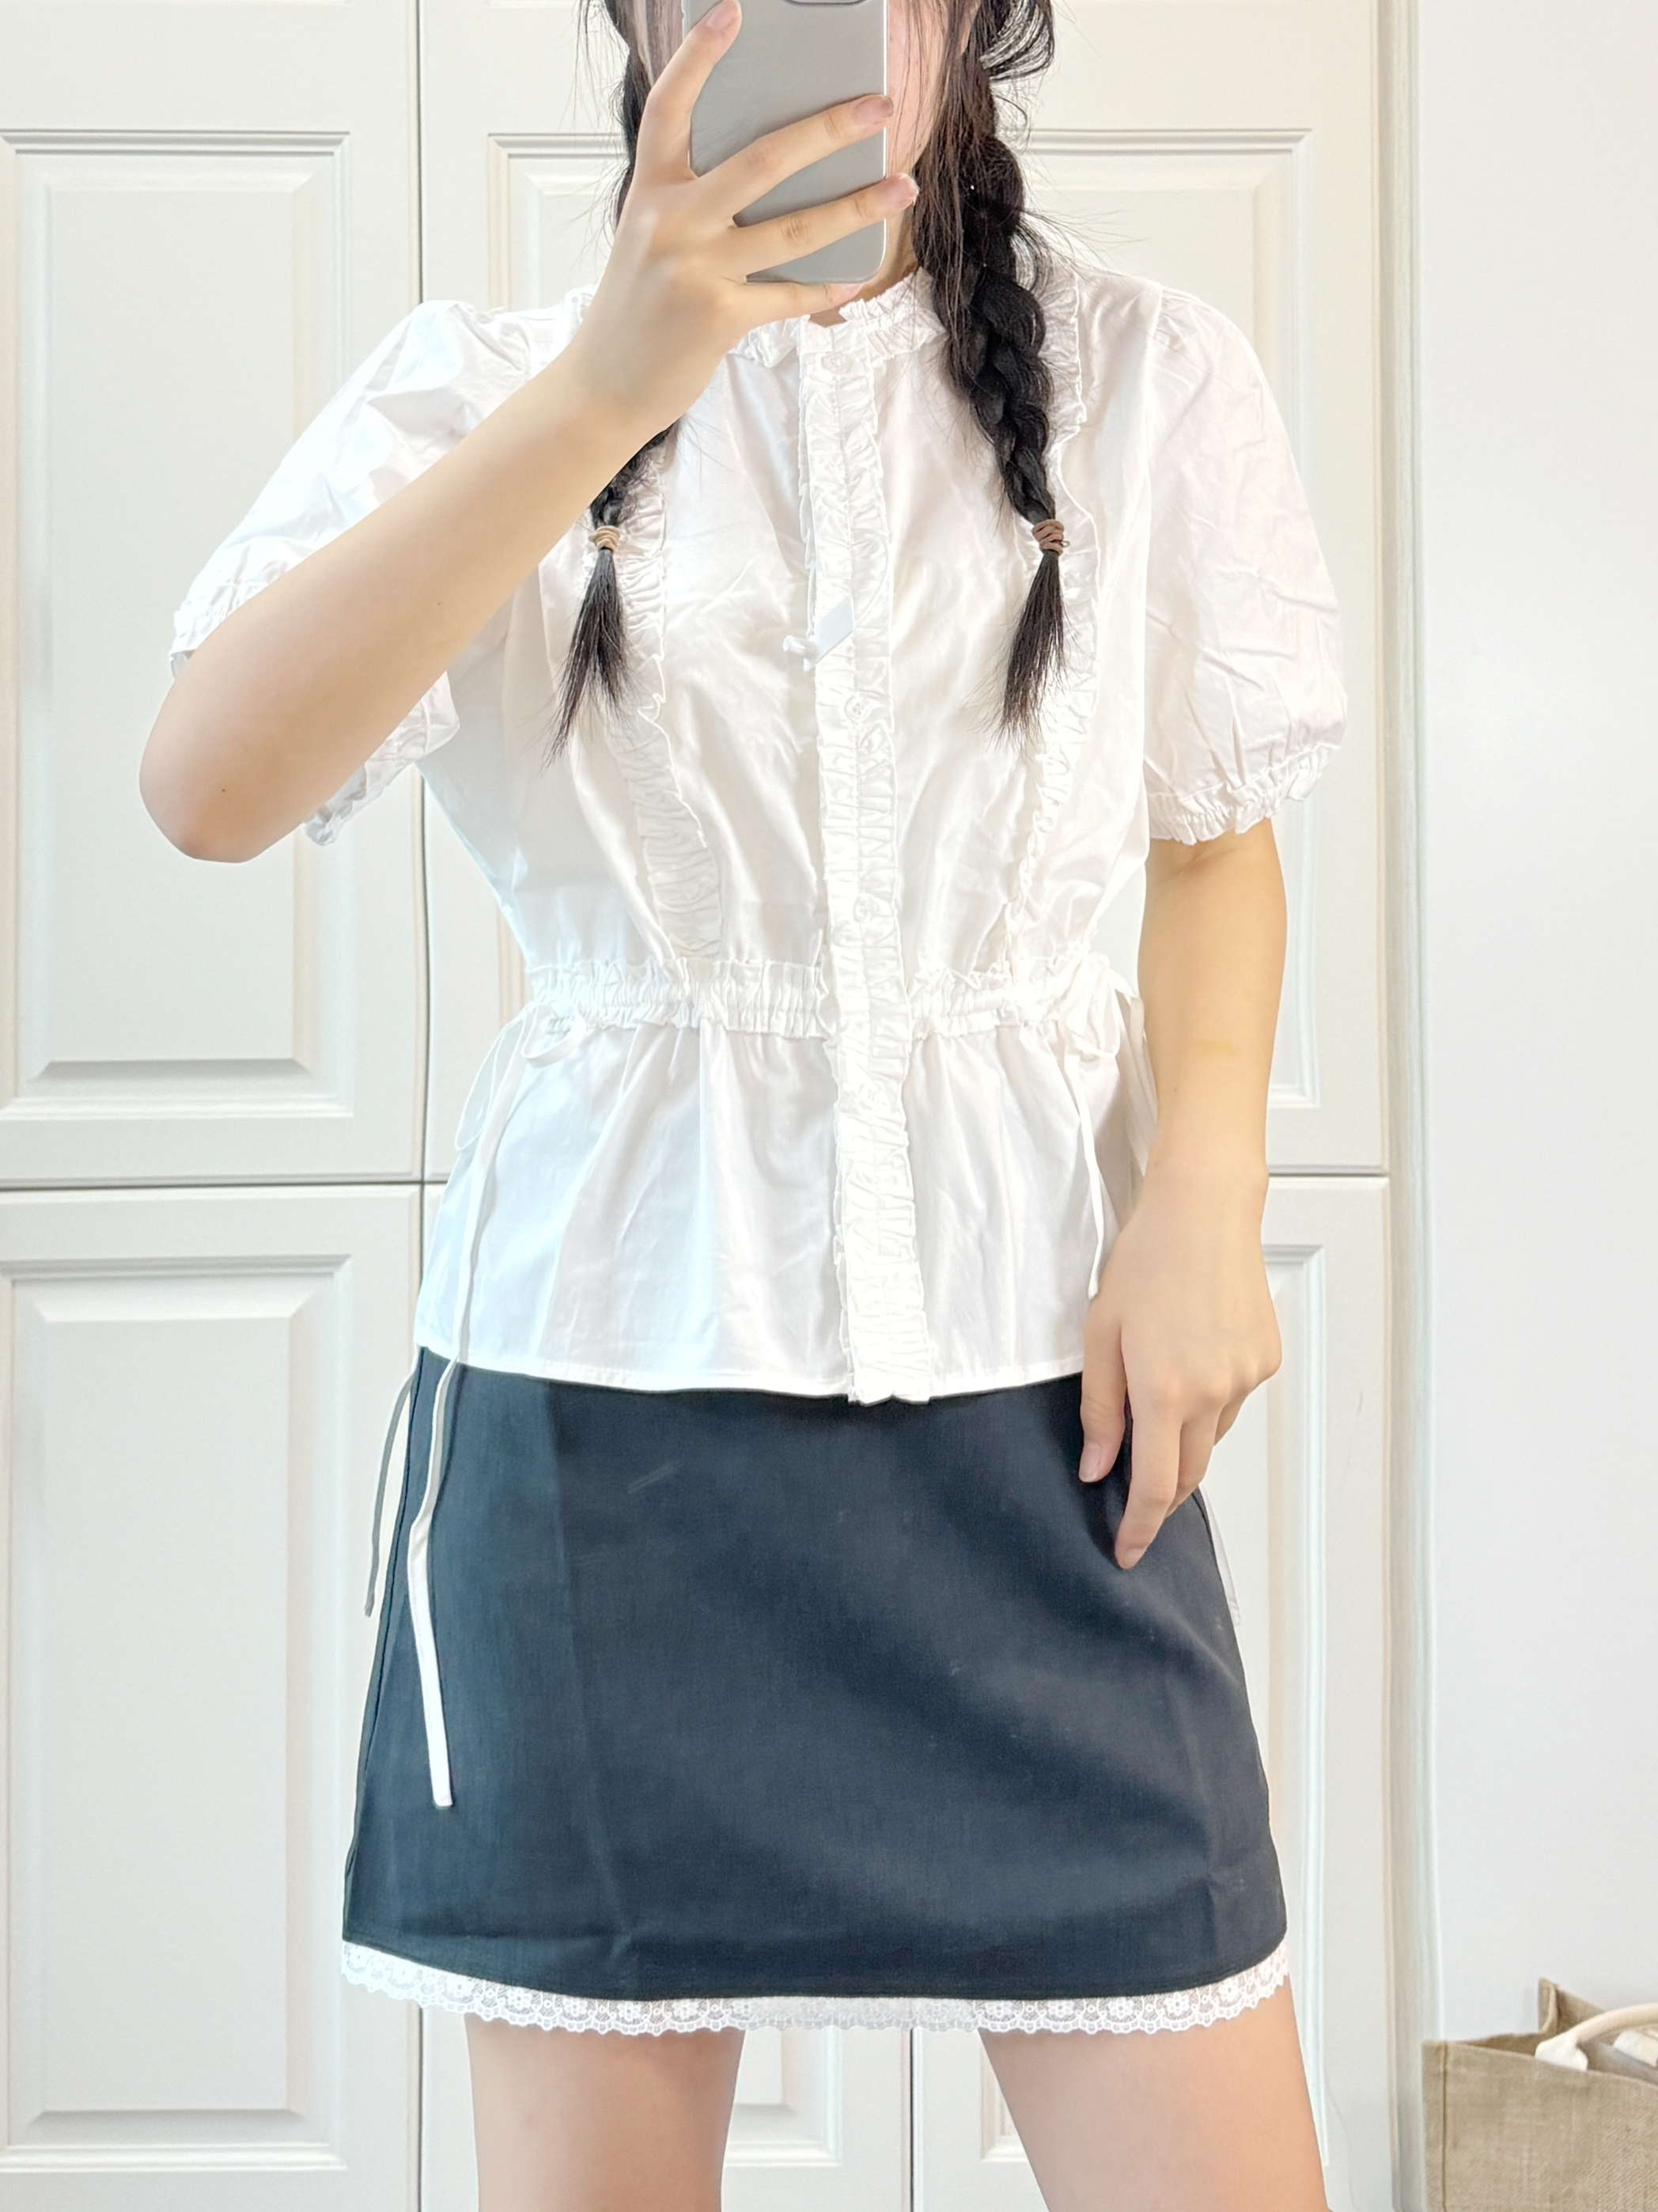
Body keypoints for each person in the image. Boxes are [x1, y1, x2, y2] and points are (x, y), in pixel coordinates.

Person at [142, 0, 1345, 2197]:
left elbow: (1213, 838)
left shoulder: (1153, 379)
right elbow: (209, 785)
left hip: (1054, 1429)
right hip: (599, 1443)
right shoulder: (482, 388)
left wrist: (1206, 1195)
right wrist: (607, 391)